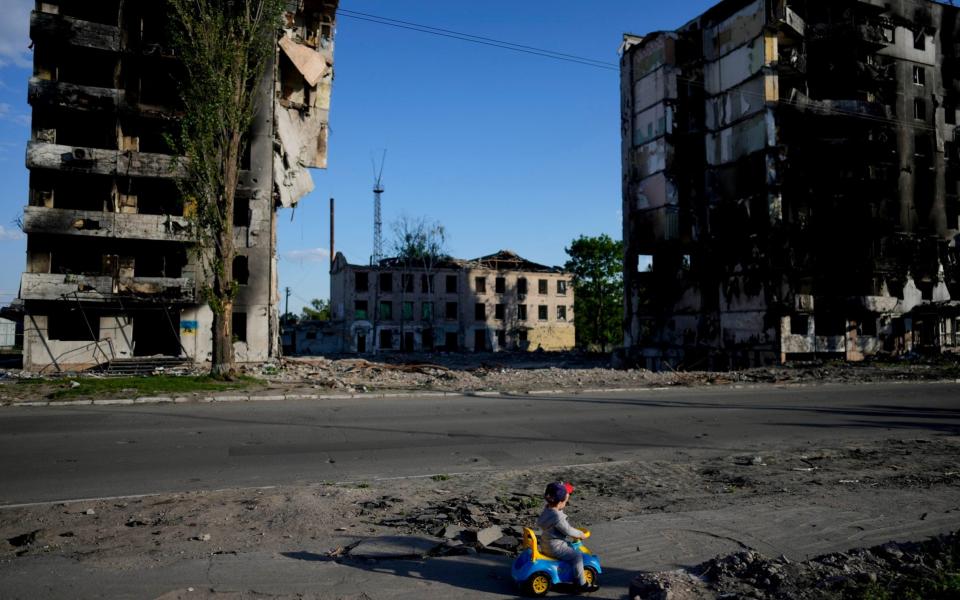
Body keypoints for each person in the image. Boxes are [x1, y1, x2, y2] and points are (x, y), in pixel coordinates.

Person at [537, 481, 597, 592]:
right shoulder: (558, 517)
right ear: (560, 502)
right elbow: (568, 530)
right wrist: (581, 534)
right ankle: (582, 584)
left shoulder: (547, 510)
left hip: (545, 543)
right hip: (556, 547)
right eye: (566, 501)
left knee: (570, 547)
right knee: (577, 556)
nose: (566, 503)